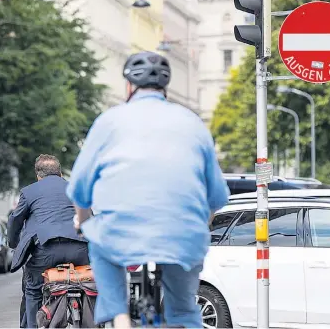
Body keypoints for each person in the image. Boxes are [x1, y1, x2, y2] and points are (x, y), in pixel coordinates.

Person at [66, 51, 229, 328]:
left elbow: (80, 189)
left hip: (119, 232)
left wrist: (83, 222)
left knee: (101, 247)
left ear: (128, 87)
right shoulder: (193, 122)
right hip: (182, 235)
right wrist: (200, 224)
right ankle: (184, 319)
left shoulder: (108, 121)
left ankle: (119, 317)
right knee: (185, 311)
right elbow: (217, 196)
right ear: (165, 88)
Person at [8, 154, 89, 329]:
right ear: (60, 173)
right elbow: (89, 217)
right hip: (79, 249)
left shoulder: (29, 192)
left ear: (38, 175)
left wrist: (13, 243)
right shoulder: (75, 189)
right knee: (88, 283)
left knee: (33, 289)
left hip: (45, 250)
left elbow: (15, 220)